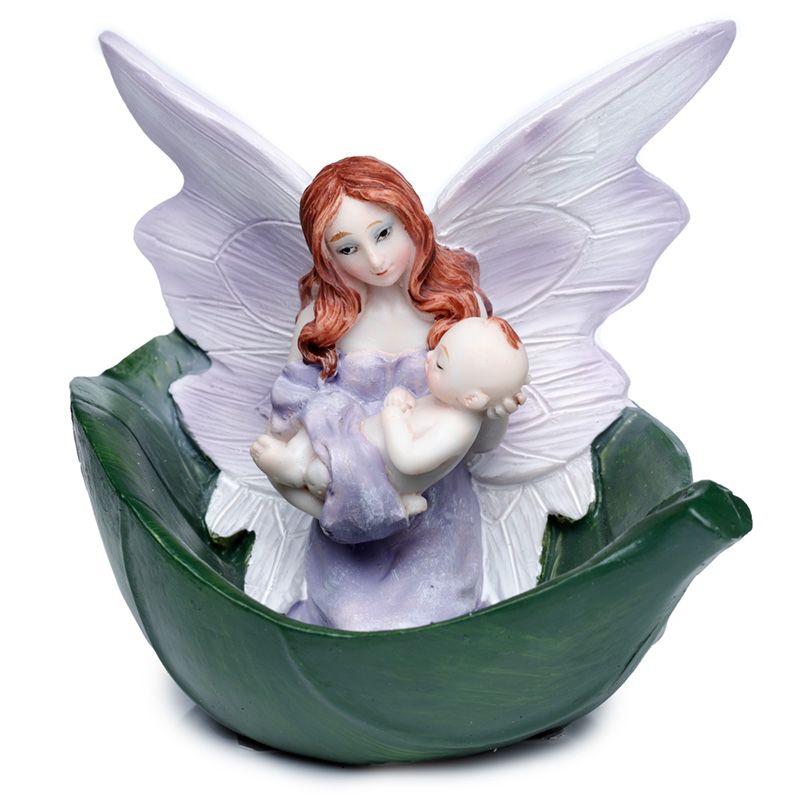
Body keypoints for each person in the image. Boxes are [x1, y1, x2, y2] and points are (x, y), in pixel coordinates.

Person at [261, 156, 523, 631]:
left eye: (383, 233)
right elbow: (289, 430)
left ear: (410, 219)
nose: (375, 260)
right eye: (348, 248)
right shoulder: (319, 327)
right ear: (326, 255)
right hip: (346, 521)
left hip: (435, 519)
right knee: (348, 625)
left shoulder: (458, 310)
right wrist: (327, 491)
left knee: (437, 627)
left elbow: (480, 443)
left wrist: (497, 410)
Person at [251, 316, 529, 517]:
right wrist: (402, 397)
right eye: (436, 349)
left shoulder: (457, 426)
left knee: (320, 474)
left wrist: (392, 415)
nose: (429, 357)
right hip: (360, 439)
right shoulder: (450, 399)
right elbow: (417, 413)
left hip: (369, 470)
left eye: (441, 363)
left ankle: (299, 473)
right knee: (328, 407)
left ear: (472, 399)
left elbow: (409, 460)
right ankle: (295, 457)